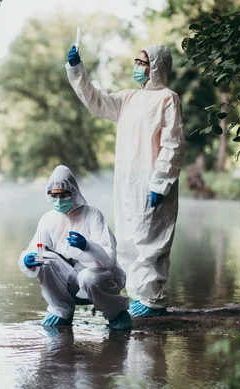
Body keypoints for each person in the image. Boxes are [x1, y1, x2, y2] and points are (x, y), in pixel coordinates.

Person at [66, 44, 185, 317]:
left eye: (142, 62)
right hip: (127, 183)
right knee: (129, 240)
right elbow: (96, 101)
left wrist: (161, 183)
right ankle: (137, 296)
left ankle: (154, 302)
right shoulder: (129, 98)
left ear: (157, 67)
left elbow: (173, 144)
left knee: (150, 241)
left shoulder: (168, 99)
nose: (137, 67)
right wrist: (77, 71)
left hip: (153, 183)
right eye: (136, 61)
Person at [18, 165, 131, 329]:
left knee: (88, 277)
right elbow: (37, 248)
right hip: (67, 277)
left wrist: (88, 246)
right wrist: (28, 259)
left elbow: (109, 259)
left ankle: (116, 312)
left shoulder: (92, 215)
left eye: (63, 195)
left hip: (95, 276)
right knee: (44, 260)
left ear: (73, 192)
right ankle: (60, 310)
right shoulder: (48, 219)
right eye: (54, 195)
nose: (58, 200)